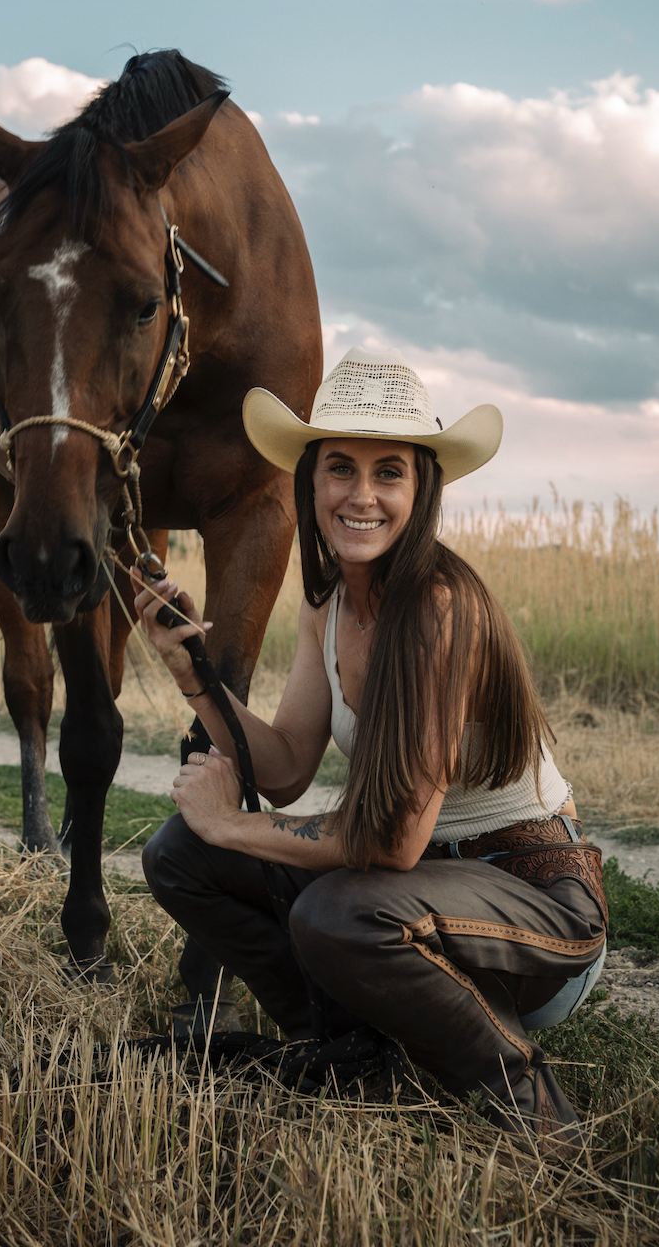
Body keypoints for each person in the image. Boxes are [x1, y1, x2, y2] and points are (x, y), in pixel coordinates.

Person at [133, 347, 607, 1155]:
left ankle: (535, 1116)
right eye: (339, 469)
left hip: (533, 910)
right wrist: (193, 671)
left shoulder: (437, 609)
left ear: (420, 491)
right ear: (308, 481)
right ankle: (351, 1050)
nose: (361, 495)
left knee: (337, 906)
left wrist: (232, 826)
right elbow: (282, 769)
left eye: (389, 472)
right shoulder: (327, 602)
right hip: (412, 901)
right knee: (179, 855)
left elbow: (389, 843)